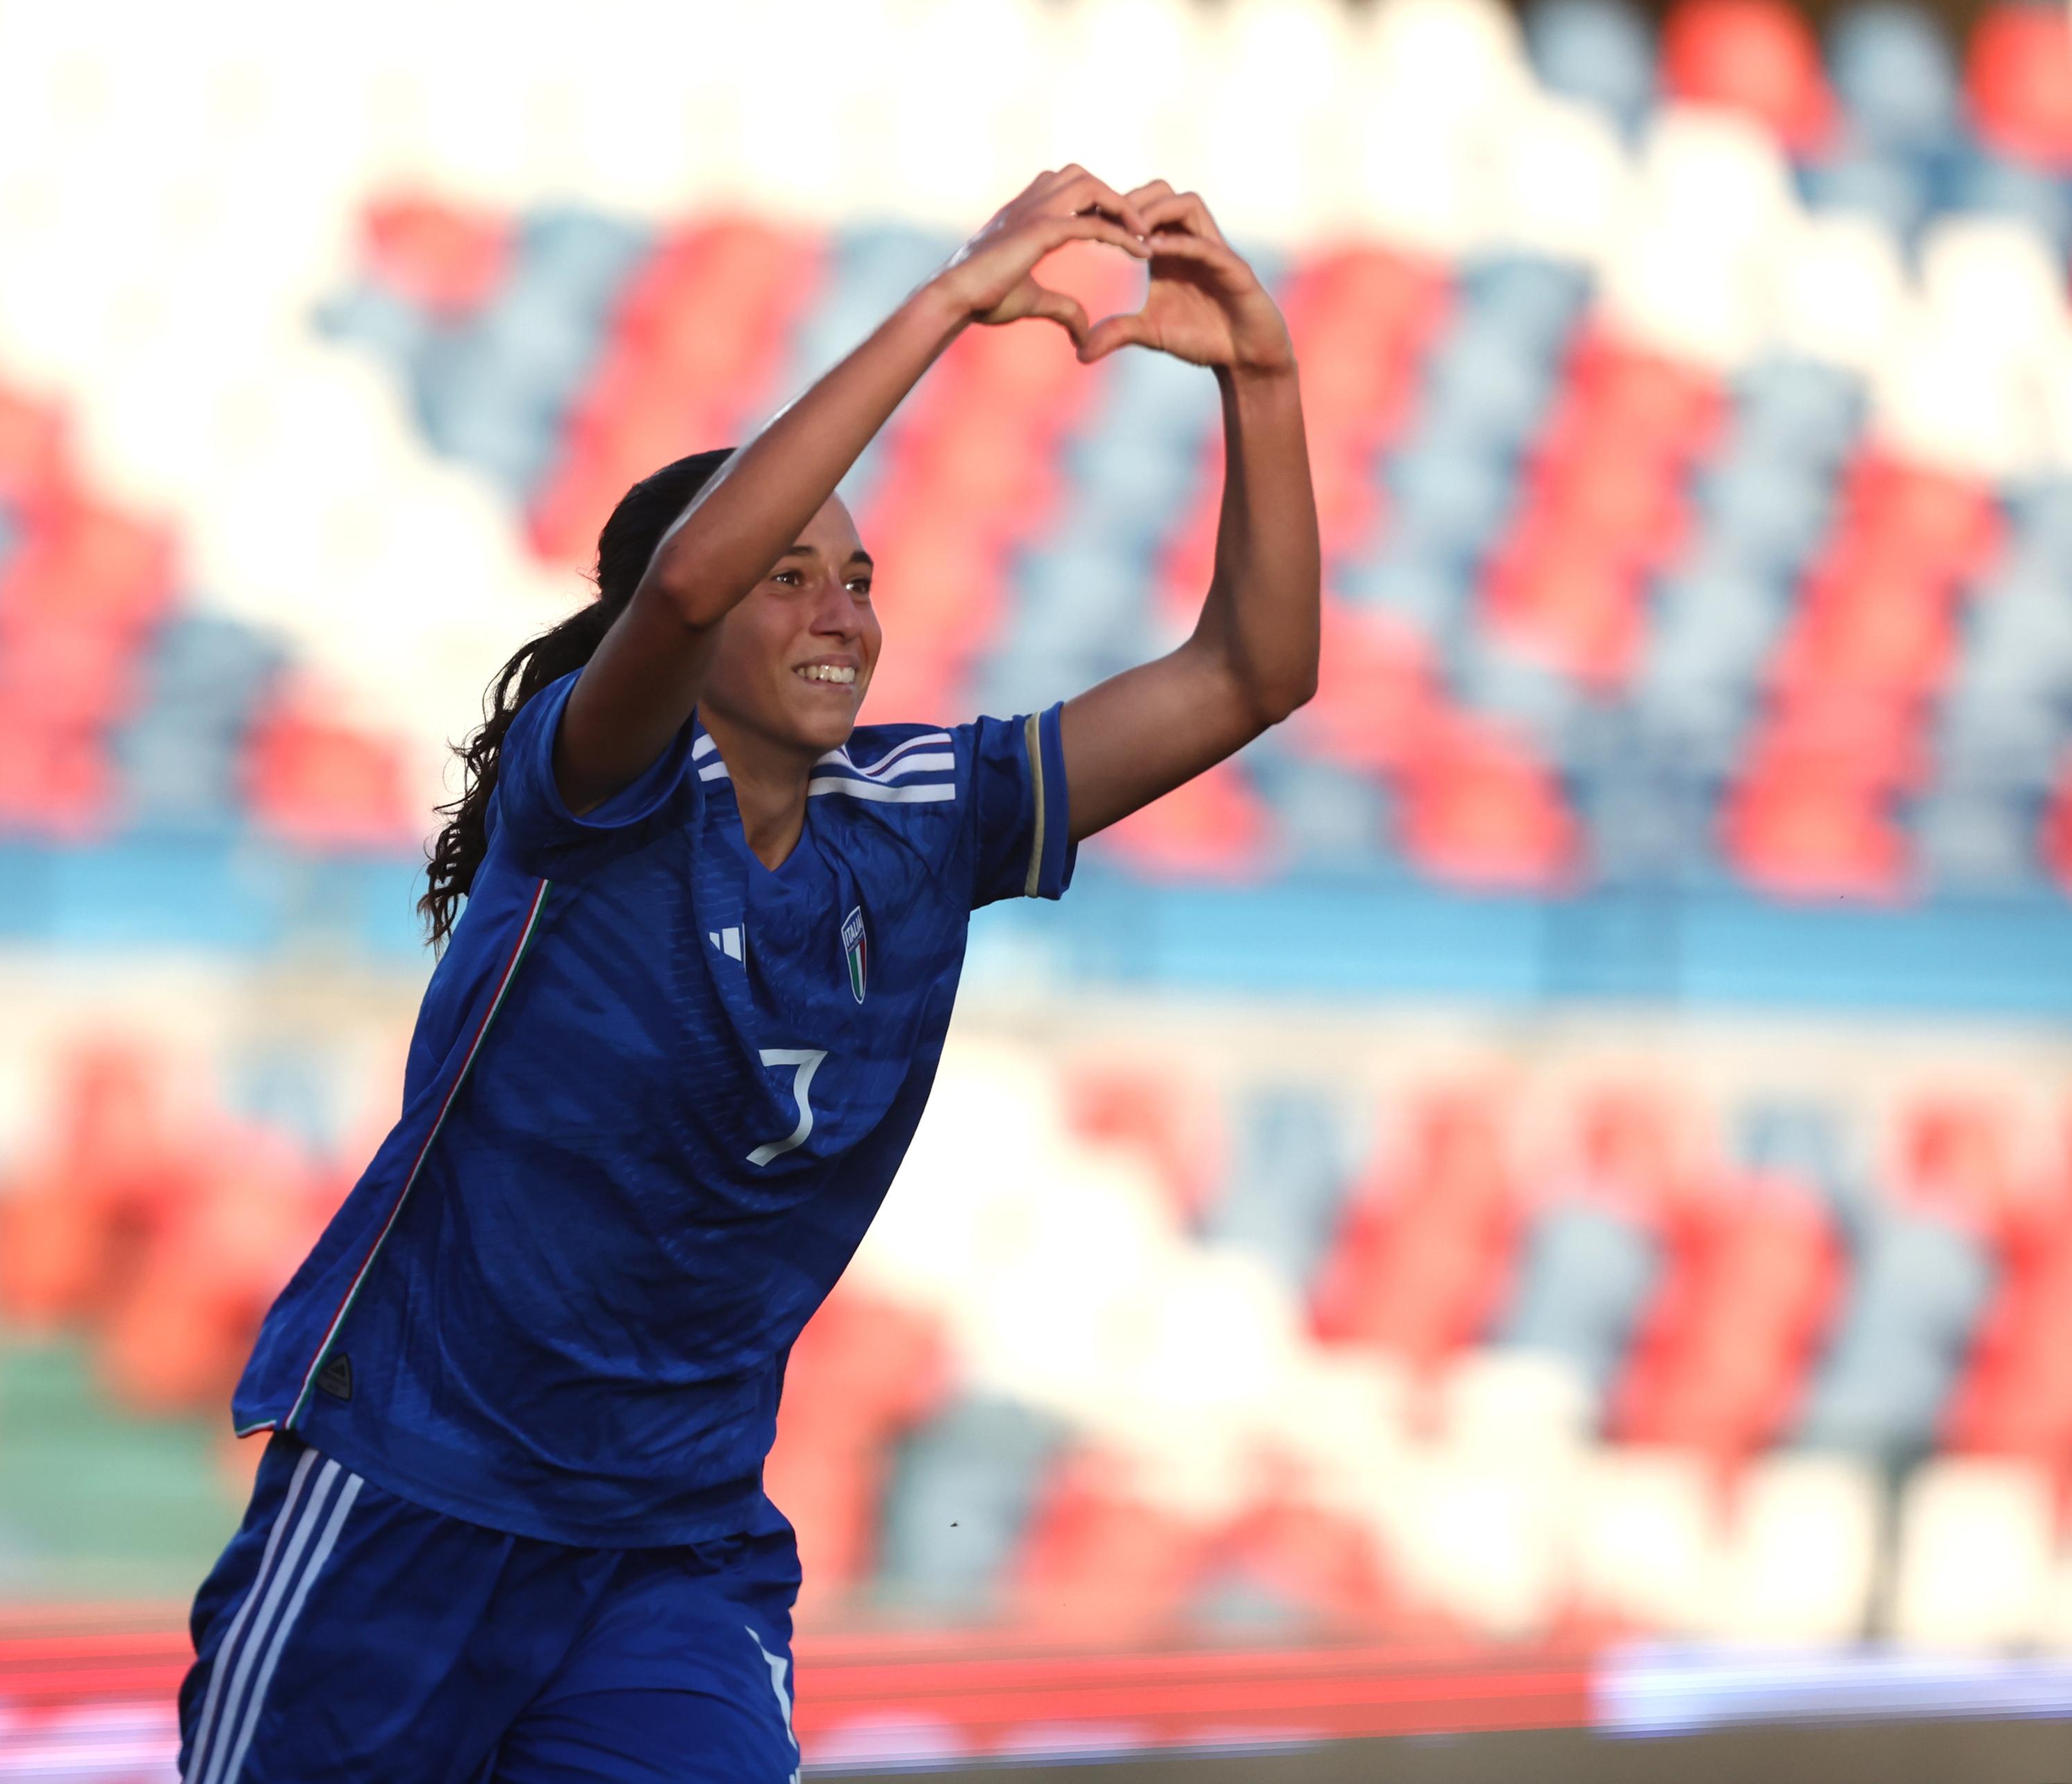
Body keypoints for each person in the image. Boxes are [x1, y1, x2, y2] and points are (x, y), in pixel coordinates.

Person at [177, 167, 1318, 1783]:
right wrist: (945, 305)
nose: (839, 605)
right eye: (793, 572)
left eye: (856, 575)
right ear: (680, 627)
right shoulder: (594, 800)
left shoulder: (925, 818)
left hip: (669, 1545)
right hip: (411, 1499)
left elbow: (1254, 671)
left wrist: (1260, 378)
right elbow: (689, 577)